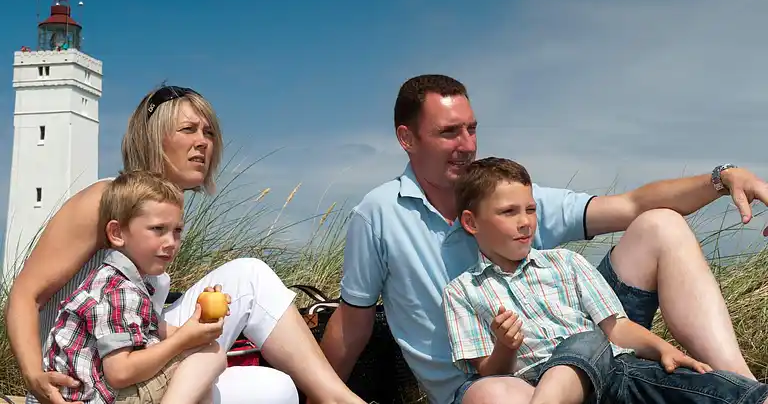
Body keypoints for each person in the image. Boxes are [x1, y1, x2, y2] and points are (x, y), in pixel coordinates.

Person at [319, 74, 768, 404]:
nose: (467, 144)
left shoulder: (514, 200)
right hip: (491, 380)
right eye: (448, 132)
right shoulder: (379, 214)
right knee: (496, 395)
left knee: (661, 224)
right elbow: (352, 323)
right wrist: (317, 394)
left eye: (471, 129)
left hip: (588, 342)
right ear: (407, 138)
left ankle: (741, 384)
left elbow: (632, 204)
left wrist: (723, 177)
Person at [6, 85, 366, 404]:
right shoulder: (105, 199)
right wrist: (34, 376)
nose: (203, 142)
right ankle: (337, 399)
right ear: (153, 138)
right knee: (250, 277)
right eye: (188, 129)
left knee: (276, 390)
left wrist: (191, 331)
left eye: (209, 132)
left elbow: (142, 317)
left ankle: (331, 396)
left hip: (128, 358)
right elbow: (25, 295)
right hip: (85, 379)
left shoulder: (162, 215)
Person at [442, 157, 768, 404]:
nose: (525, 222)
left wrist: (662, 348)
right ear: (471, 223)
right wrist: (505, 346)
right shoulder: (462, 291)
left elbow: (616, 327)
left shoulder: (565, 262)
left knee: (714, 389)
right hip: (537, 382)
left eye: (530, 209)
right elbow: (489, 371)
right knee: (580, 342)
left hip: (615, 370)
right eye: (508, 212)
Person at [40, 170, 227, 404]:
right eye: (158, 229)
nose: (171, 242)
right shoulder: (120, 291)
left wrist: (200, 322)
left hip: (93, 394)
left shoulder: (118, 281)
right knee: (211, 354)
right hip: (105, 397)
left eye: (177, 230)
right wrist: (183, 339)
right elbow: (119, 373)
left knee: (200, 372)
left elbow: (157, 330)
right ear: (117, 233)